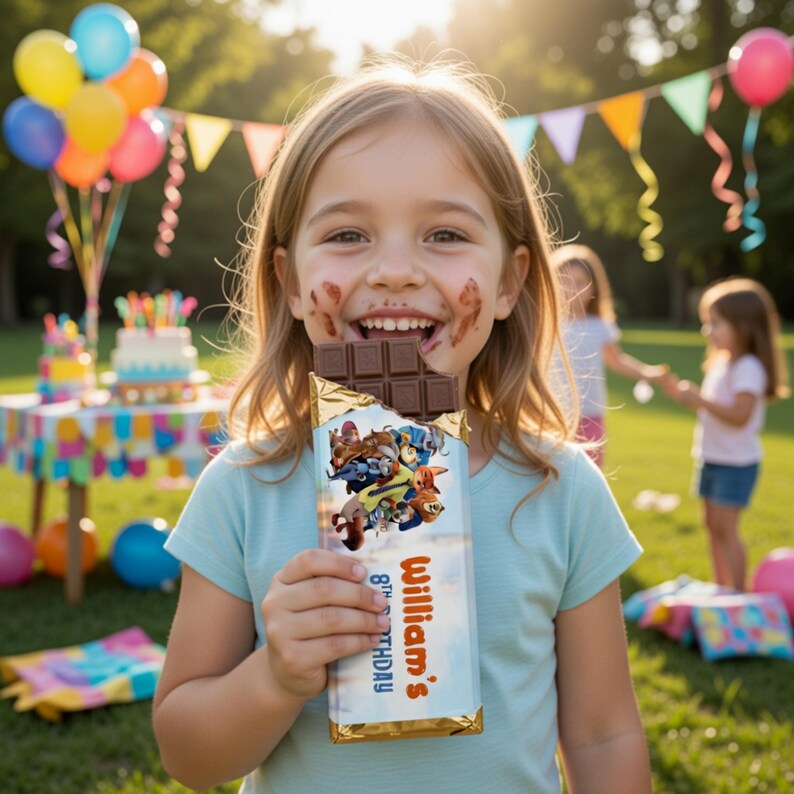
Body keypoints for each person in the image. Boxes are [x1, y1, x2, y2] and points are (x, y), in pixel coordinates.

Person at [152, 57, 652, 794]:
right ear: (289, 282)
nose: (393, 270)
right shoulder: (244, 491)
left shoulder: (560, 491)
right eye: (349, 235)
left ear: (510, 282)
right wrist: (275, 675)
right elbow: (189, 758)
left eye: (445, 235)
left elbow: (603, 733)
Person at [664, 277, 789, 591]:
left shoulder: (749, 368)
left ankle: (737, 593)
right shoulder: (722, 363)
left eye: (716, 323)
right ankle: (720, 588)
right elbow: (715, 410)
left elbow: (739, 416)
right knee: (712, 527)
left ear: (744, 326)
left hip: (735, 463)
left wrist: (700, 399)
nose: (708, 331)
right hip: (711, 457)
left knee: (727, 530)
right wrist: (686, 398)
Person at [549, 244, 670, 468]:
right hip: (552, 415)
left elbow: (617, 360)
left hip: (590, 414)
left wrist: (647, 373)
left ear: (593, 286)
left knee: (590, 474)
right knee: (554, 474)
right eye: (565, 281)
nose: (572, 290)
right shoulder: (546, 325)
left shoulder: (600, 326)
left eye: (580, 283)